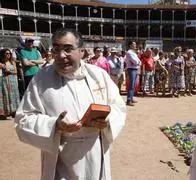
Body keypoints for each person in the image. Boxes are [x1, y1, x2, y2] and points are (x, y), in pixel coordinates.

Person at [14, 28, 126, 180]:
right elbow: (23, 119)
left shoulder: (99, 75)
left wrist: (107, 121)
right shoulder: (41, 79)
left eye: (68, 49)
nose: (61, 56)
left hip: (94, 152)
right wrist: (54, 125)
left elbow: (118, 107)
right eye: (56, 49)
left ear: (82, 51)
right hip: (59, 157)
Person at [1, 49, 20, 116]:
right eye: (6, 53)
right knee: (6, 95)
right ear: (3, 54)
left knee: (14, 95)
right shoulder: (1, 63)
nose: (8, 55)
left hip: (13, 80)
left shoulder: (12, 62)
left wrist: (9, 72)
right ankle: (6, 112)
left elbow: (16, 72)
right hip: (5, 80)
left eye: (9, 53)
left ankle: (14, 111)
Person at [125, 41, 141, 106]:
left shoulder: (133, 52)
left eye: (135, 44)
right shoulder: (129, 52)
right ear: (130, 45)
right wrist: (138, 62)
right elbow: (135, 61)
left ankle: (131, 98)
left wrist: (138, 62)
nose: (135, 45)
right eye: (134, 44)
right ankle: (129, 100)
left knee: (133, 84)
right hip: (131, 69)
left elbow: (139, 61)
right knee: (131, 84)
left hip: (134, 69)